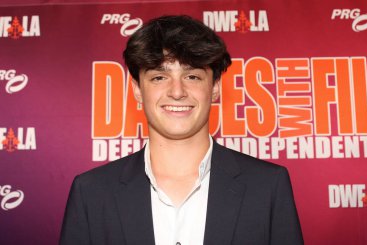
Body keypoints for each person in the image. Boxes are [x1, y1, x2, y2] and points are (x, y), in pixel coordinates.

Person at [60, 15, 303, 245]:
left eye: (193, 77)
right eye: (159, 77)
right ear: (136, 89)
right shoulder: (91, 193)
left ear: (215, 86)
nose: (177, 91)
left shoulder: (268, 186)